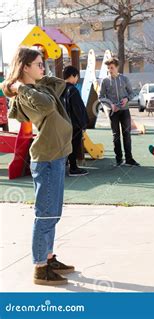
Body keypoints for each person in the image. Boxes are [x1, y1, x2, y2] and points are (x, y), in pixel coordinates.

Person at [2, 47, 75, 285]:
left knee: (53, 212)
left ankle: (49, 256)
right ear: (25, 67)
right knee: (45, 214)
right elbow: (44, 107)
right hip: (46, 158)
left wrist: (39, 74)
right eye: (39, 64)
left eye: (44, 64)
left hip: (57, 155)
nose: (44, 68)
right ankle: (40, 267)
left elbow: (60, 84)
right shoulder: (27, 93)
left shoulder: (39, 86)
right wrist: (20, 86)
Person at [99, 57, 140, 167]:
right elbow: (101, 97)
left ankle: (129, 159)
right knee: (116, 135)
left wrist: (127, 99)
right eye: (108, 68)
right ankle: (118, 159)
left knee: (127, 134)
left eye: (112, 67)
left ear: (117, 67)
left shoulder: (124, 79)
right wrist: (110, 105)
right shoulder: (105, 81)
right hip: (113, 112)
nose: (110, 70)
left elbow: (132, 93)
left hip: (125, 111)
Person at [62, 65, 89, 176]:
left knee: (67, 145)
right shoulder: (73, 90)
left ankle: (65, 165)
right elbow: (78, 109)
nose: (77, 79)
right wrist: (83, 123)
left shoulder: (61, 89)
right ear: (73, 76)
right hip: (74, 124)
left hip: (64, 123)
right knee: (74, 145)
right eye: (77, 76)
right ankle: (73, 168)